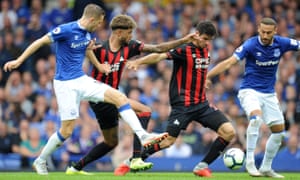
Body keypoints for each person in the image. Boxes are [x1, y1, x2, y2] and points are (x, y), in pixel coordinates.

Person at [3, 4, 168, 175]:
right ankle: (41, 160)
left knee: (120, 97)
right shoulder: (66, 30)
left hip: (81, 79)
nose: (99, 27)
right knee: (66, 131)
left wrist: (99, 66)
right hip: (64, 84)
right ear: (91, 19)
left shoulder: (87, 33)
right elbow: (39, 41)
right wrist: (19, 61)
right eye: (98, 23)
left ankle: (143, 136)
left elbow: (88, 49)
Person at [65, 14, 195, 176]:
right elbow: (78, 49)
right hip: (99, 97)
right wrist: (89, 53)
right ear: (119, 33)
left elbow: (158, 48)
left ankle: (75, 168)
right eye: (129, 33)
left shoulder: (130, 46)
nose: (131, 36)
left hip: (111, 97)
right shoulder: (98, 48)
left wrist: (183, 40)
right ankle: (136, 158)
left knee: (111, 142)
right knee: (144, 111)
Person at [126, 21, 236, 178]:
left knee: (229, 132)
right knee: (168, 141)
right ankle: (136, 159)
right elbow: (160, 56)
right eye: (204, 38)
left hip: (202, 104)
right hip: (182, 106)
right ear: (196, 34)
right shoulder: (184, 49)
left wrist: (204, 79)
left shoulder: (206, 49)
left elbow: (198, 68)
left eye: (209, 40)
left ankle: (201, 166)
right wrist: (139, 61)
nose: (206, 43)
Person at [206, 17, 300, 178]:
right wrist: (208, 75)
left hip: (269, 94)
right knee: (256, 119)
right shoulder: (250, 45)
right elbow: (229, 62)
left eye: (268, 33)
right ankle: (249, 162)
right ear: (258, 29)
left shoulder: (282, 43)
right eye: (262, 31)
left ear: (275, 32)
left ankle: (266, 167)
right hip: (249, 91)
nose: (264, 35)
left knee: (279, 133)